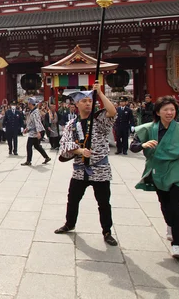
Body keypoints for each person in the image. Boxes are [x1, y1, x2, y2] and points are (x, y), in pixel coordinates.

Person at [130, 96, 179, 259]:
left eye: (172, 109)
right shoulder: (149, 128)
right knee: (164, 203)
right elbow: (133, 146)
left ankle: (178, 244)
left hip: (177, 170)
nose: (170, 112)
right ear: (158, 112)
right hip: (158, 170)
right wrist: (143, 145)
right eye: (166, 109)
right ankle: (170, 224)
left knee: (176, 207)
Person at [54, 85, 118, 246]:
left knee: (103, 202)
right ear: (77, 104)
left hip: (100, 169)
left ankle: (107, 231)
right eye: (84, 101)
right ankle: (70, 223)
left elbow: (112, 112)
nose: (88, 104)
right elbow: (64, 145)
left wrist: (100, 93)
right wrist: (80, 150)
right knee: (73, 199)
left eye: (90, 100)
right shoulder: (72, 124)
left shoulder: (99, 119)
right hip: (80, 169)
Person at [21, 98, 52, 166]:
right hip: (33, 131)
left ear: (31, 104)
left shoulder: (35, 112)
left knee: (29, 146)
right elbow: (31, 123)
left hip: (35, 132)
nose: (28, 105)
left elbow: (37, 122)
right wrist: (27, 128)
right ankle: (46, 157)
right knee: (37, 146)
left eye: (28, 103)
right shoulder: (32, 111)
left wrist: (38, 132)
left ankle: (28, 161)